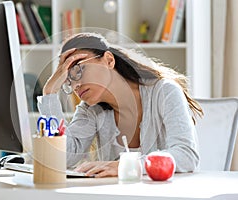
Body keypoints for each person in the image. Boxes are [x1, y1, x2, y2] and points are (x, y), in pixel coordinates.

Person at [37, 32, 203, 178]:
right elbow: (62, 158)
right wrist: (49, 93)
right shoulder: (90, 111)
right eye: (68, 81)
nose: (75, 86)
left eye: (78, 70)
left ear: (109, 60)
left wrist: (126, 166)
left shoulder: (165, 91)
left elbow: (186, 155)